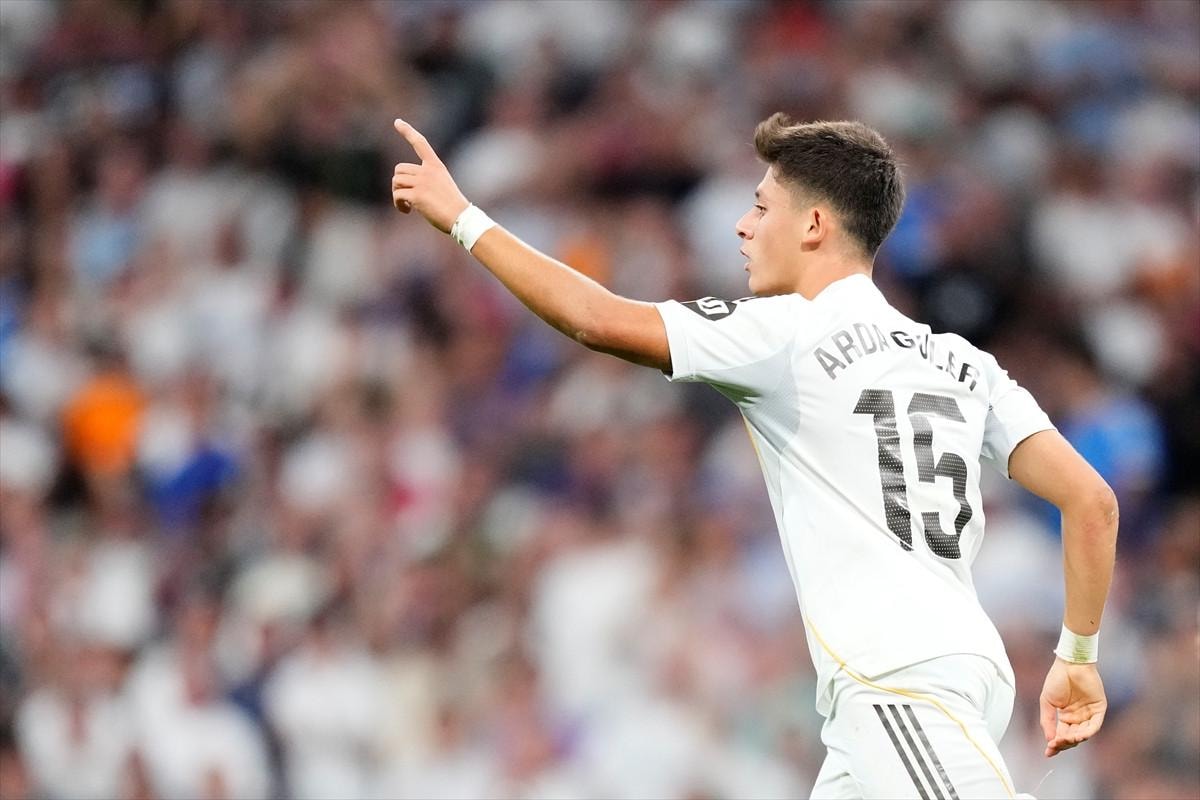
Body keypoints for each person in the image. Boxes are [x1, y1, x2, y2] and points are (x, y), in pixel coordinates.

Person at [388, 113, 1118, 799]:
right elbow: (1092, 502)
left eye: (763, 207)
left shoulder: (787, 333)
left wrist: (463, 219)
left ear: (814, 225)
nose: (743, 224)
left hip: (897, 678)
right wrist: (1078, 659)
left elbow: (596, 320)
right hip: (943, 670)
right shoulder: (963, 362)